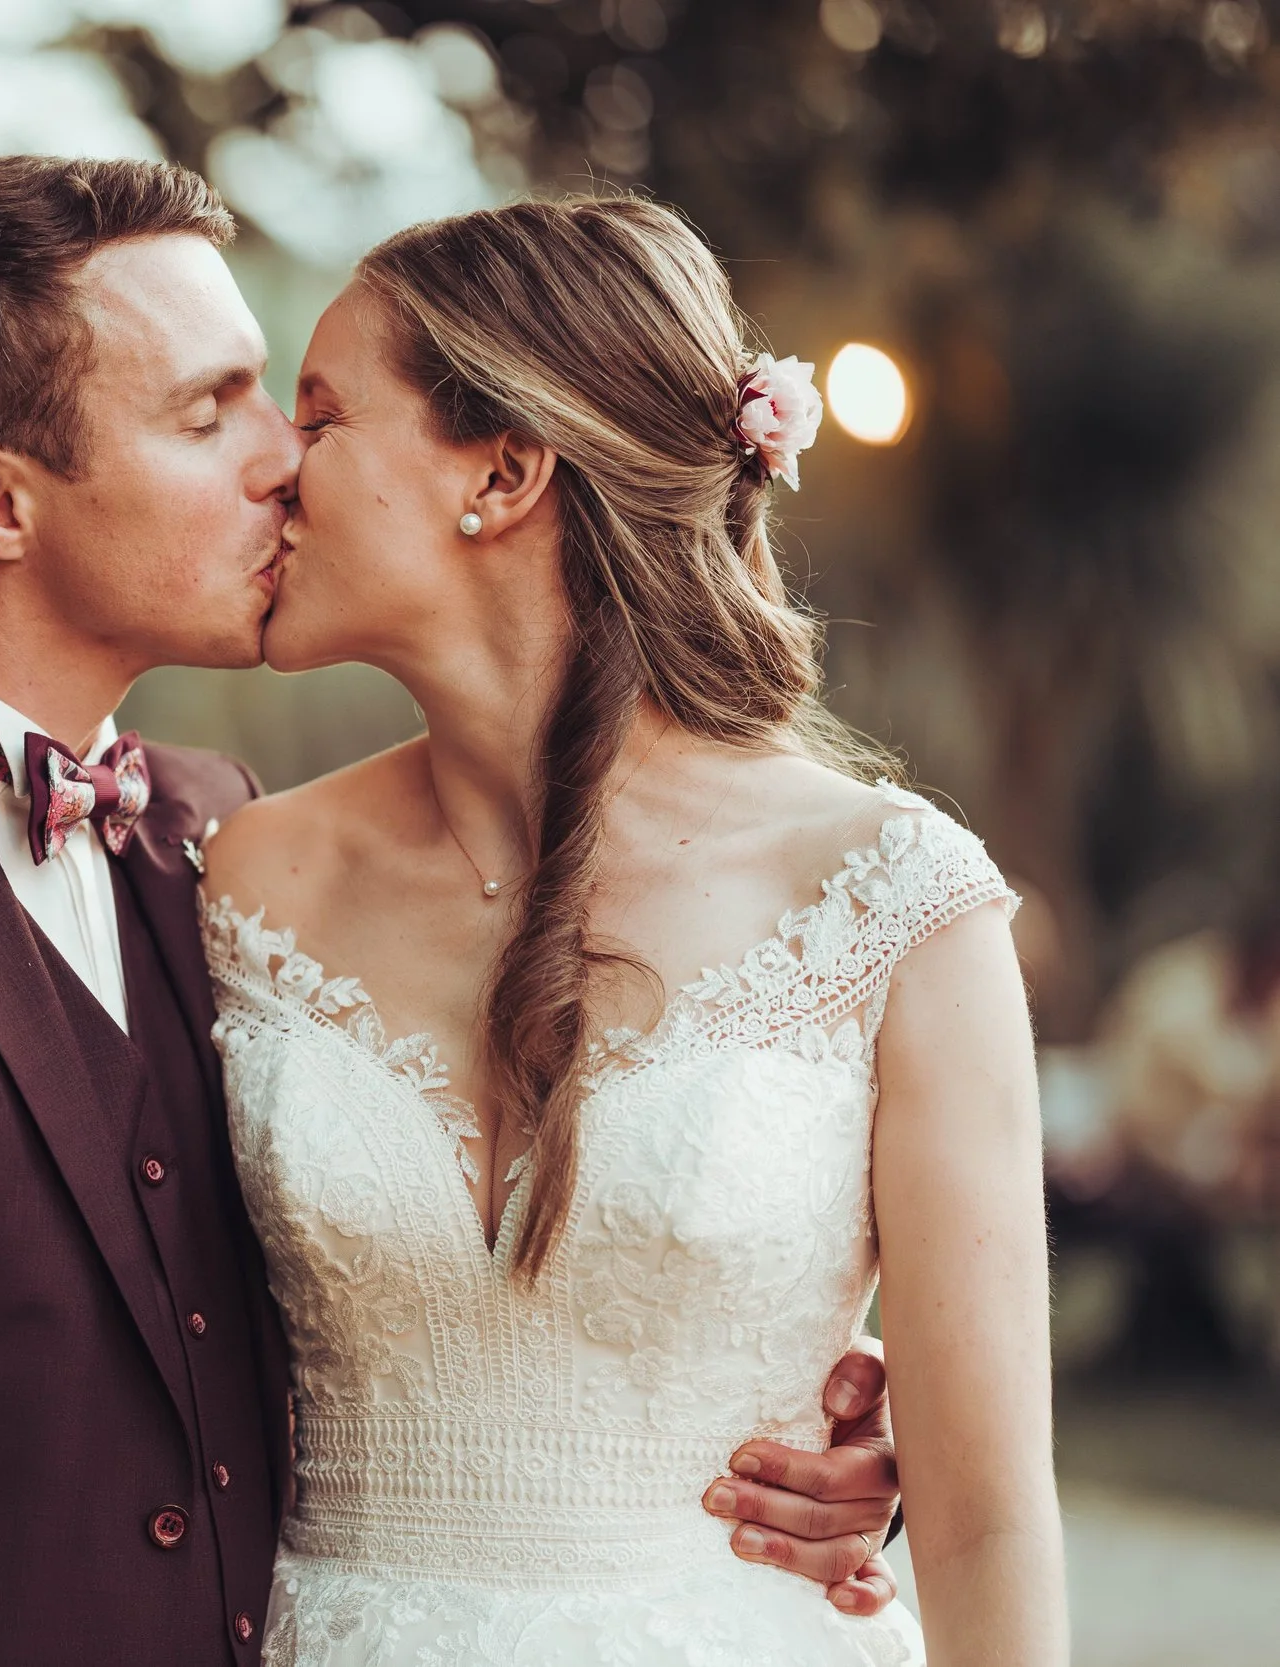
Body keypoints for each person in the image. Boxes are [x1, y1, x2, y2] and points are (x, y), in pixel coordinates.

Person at [0, 158, 906, 1667]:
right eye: (209, 411)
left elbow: (417, 1285)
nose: (284, 463)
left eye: (282, 403)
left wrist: (791, 1403)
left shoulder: (229, 838)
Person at [201, 198, 1065, 1664]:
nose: (278, 465)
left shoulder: (890, 899)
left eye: (324, 412)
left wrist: (882, 1462)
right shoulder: (241, 876)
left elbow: (989, 1520)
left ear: (503, 469)